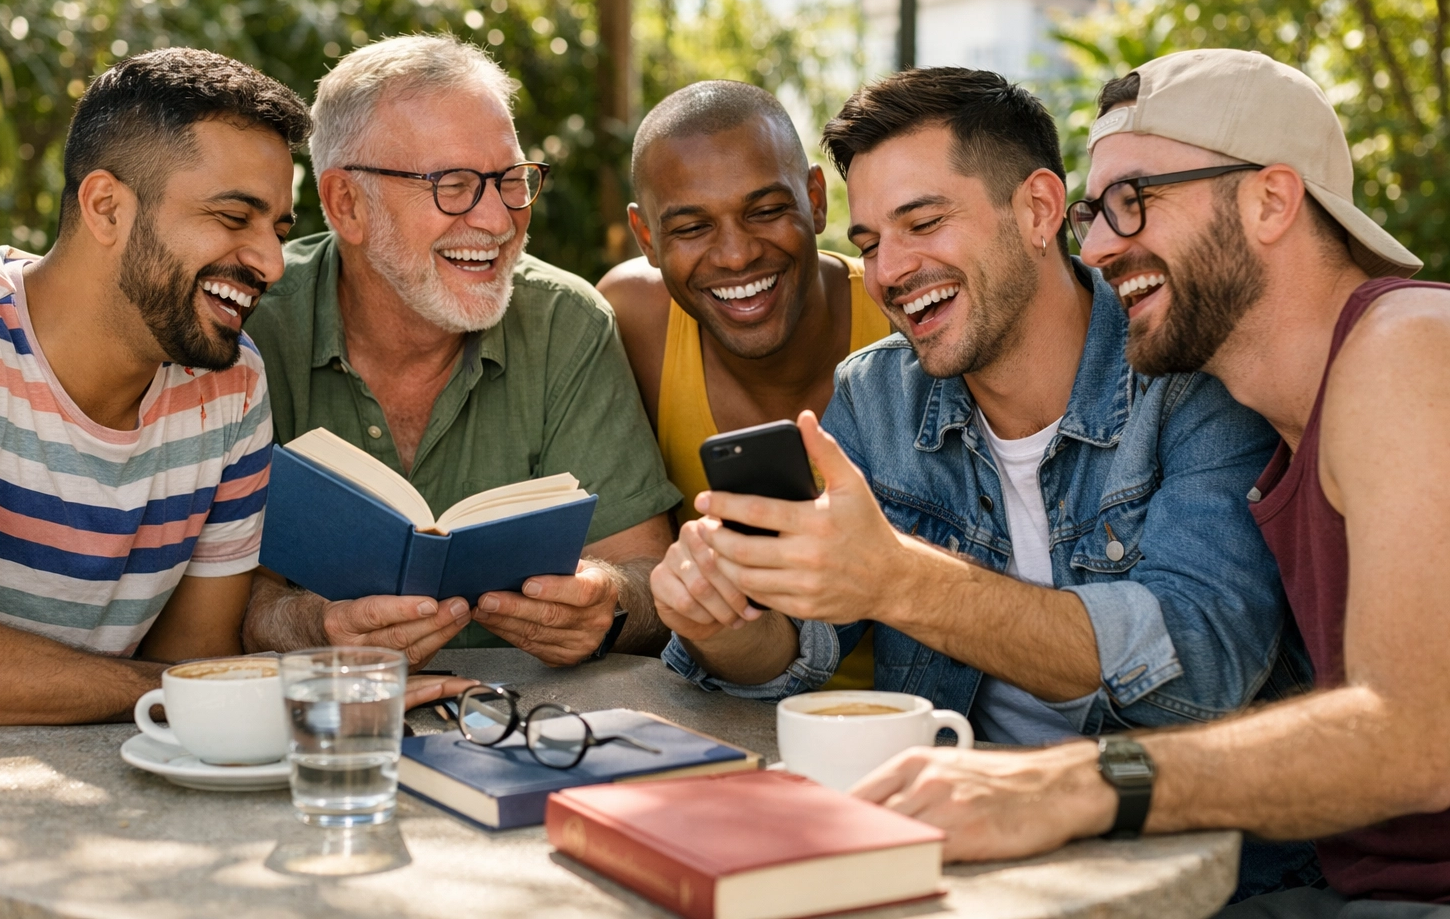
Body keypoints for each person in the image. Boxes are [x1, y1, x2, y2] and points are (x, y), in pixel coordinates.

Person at [651, 67, 1315, 894]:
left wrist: (901, 580)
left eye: (923, 222)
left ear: (1038, 210)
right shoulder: (877, 395)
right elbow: (802, 644)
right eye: (869, 243)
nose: (889, 272)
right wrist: (722, 621)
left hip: (1197, 880)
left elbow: (1202, 665)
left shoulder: (1186, 371)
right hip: (958, 858)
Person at [847, 50, 1450, 917]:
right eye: (1094, 213)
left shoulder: (1405, 348)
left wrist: (1074, 783)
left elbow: (1416, 740)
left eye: (1134, 201)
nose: (1095, 248)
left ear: (1271, 201)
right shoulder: (1285, 421)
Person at [0, 49, 321, 755]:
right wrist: (172, 690)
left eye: (279, 231)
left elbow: (192, 658)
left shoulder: (230, 384)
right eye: (234, 217)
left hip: (104, 783)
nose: (271, 262)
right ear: (106, 207)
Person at [242, 35, 679, 668]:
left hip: (528, 713)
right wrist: (307, 626)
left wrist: (606, 602)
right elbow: (207, 597)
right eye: (453, 185)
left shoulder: (564, 322)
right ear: (346, 204)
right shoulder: (253, 327)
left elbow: (647, 572)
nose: (499, 222)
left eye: (511, 180)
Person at [597, 80, 889, 688]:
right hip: (717, 702)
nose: (735, 256)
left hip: (909, 713)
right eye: (691, 227)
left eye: (765, 211)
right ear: (647, 238)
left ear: (815, 200)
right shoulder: (635, 320)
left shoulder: (900, 315)